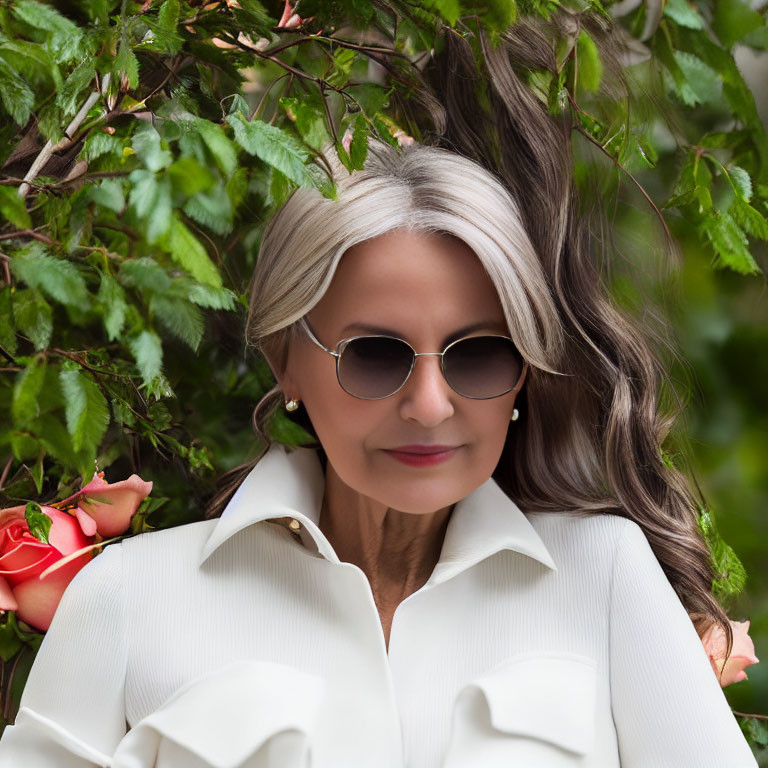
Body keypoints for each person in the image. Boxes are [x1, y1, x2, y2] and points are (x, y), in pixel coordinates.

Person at [0, 135, 758, 767]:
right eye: (373, 356)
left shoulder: (606, 577)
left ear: (524, 368)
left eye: (479, 355)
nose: (430, 406)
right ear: (283, 359)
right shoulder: (131, 599)